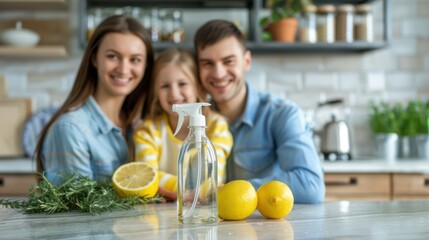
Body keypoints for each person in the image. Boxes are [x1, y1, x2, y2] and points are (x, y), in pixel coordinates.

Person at [194, 20, 325, 204]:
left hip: (268, 229)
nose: (218, 73)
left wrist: (233, 192)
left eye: (228, 61)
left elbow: (311, 186)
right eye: (208, 63)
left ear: (246, 61)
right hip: (208, 228)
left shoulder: (282, 115)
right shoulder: (195, 121)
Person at [35, 15, 154, 185]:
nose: (124, 69)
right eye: (113, 56)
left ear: (145, 66)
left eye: (135, 59)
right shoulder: (71, 129)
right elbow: (76, 209)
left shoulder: (138, 125)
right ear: (94, 58)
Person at [134, 48, 233, 200]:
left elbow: (213, 173)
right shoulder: (148, 131)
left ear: (198, 87)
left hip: (207, 208)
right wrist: (186, 190)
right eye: (165, 86)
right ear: (155, 92)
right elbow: (147, 176)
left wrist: (183, 190)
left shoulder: (216, 126)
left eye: (182, 84)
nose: (174, 93)